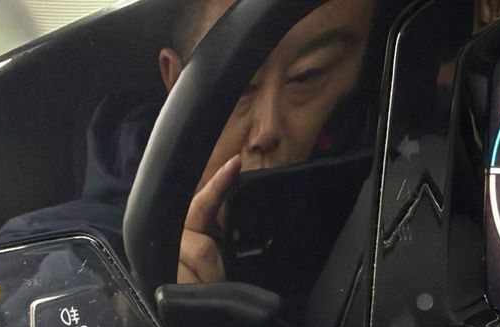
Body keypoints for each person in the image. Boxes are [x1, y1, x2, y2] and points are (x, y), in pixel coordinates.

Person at [158, 0, 377, 283]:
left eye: (304, 76)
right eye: (237, 86)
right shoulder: (109, 247)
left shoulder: (388, 193)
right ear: (175, 82)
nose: (267, 131)